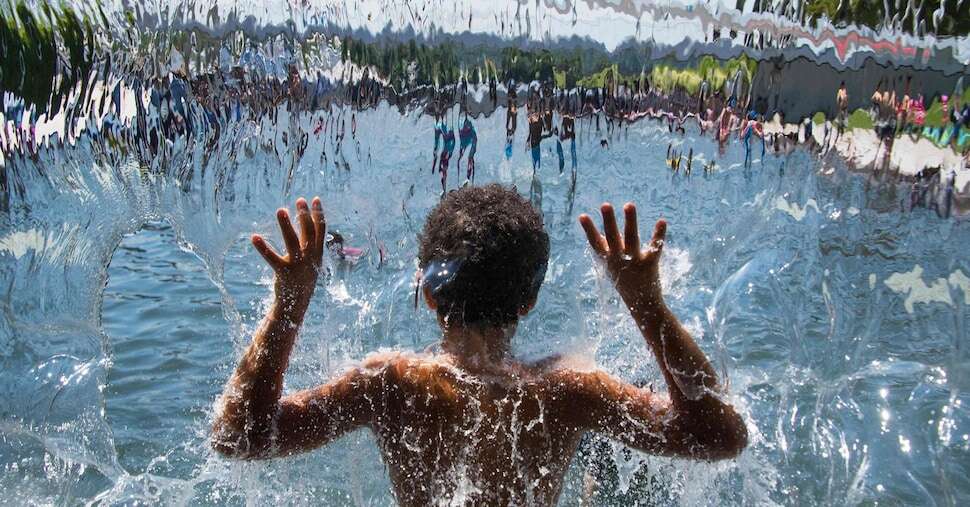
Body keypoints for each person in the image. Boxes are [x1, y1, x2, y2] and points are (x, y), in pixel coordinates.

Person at [212, 189, 748, 505]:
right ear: (528, 302)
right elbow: (719, 436)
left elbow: (239, 437)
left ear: (426, 292)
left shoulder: (389, 384)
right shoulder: (566, 390)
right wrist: (647, 306)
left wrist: (289, 307)